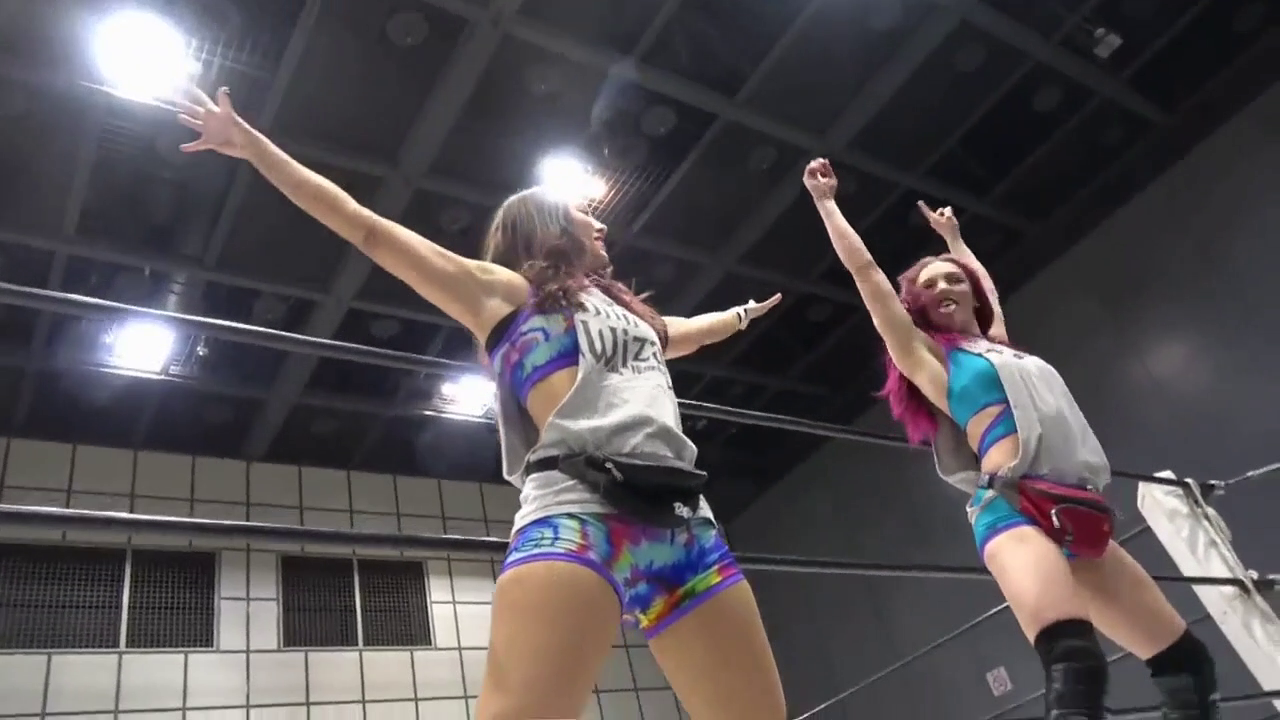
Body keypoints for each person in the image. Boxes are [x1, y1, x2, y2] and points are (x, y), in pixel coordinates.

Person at [176, 86, 788, 720]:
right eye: (584, 214)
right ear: (548, 227)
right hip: (580, 515)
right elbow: (366, 227)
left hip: (684, 523)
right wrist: (252, 146)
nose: (601, 223)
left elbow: (688, 330)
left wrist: (744, 314)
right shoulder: (507, 295)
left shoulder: (636, 319)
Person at [802, 157, 1220, 720]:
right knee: (1076, 667)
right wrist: (827, 203)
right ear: (917, 305)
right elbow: (867, 275)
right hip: (1014, 510)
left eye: (954, 279)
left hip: (1078, 510)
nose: (944, 286)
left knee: (1189, 668)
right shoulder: (930, 360)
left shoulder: (999, 344)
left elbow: (987, 288)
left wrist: (954, 241)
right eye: (929, 284)